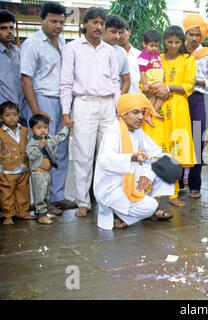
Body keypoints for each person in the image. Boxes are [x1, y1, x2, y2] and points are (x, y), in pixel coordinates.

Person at [60, 7, 120, 217]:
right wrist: (66, 113)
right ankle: (83, 202)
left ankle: (106, 199)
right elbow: (66, 83)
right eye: (94, 22)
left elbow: (115, 81)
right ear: (85, 24)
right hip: (83, 104)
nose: (98, 27)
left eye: (102, 23)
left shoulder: (109, 51)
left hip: (106, 105)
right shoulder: (73, 48)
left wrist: (117, 108)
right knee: (83, 154)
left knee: (107, 154)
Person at [20, 2, 74, 213]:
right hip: (41, 100)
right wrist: (36, 111)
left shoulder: (62, 40)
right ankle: (43, 201)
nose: (58, 25)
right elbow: (26, 79)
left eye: (61, 21)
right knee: (43, 151)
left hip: (62, 99)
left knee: (61, 147)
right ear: (42, 20)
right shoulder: (32, 44)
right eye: (53, 21)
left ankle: (58, 196)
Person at [94, 93, 174, 230]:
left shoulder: (136, 131)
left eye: (143, 112)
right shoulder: (113, 132)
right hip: (111, 189)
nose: (141, 117)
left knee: (166, 159)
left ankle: (129, 211)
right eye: (136, 112)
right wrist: (132, 157)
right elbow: (105, 160)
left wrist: (146, 174)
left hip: (131, 182)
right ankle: (119, 214)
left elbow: (155, 152)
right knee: (151, 206)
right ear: (124, 114)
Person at [141, 25, 197, 208]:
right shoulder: (157, 57)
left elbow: (189, 85)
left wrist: (169, 87)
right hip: (156, 107)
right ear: (163, 41)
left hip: (178, 109)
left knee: (176, 151)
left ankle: (173, 194)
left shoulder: (187, 59)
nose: (173, 45)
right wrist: (156, 89)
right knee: (155, 149)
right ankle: (152, 194)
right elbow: (145, 81)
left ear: (182, 42)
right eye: (169, 41)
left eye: (177, 42)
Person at [183, 14, 208, 199]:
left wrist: (194, 81)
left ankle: (195, 185)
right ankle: (177, 182)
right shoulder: (178, 51)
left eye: (198, 34)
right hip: (178, 99)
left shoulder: (207, 55)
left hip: (197, 99)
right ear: (186, 34)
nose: (194, 38)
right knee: (178, 138)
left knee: (196, 139)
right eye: (191, 34)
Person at [26, 114, 69, 225]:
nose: (43, 130)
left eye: (45, 127)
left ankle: (45, 211)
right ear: (32, 130)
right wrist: (40, 146)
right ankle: (40, 214)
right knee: (39, 194)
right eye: (39, 128)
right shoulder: (32, 142)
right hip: (38, 173)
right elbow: (31, 155)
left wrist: (66, 128)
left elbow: (59, 138)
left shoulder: (49, 139)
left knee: (45, 194)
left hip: (47, 173)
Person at [0, 101, 35, 225]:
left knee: (23, 191)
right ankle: (8, 215)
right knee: (7, 193)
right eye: (7, 115)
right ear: (1, 117)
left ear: (18, 115)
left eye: (14, 114)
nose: (11, 118)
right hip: (7, 169)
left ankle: (23, 212)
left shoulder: (24, 130)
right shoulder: (1, 133)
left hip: (24, 167)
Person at [0, 10, 26, 127]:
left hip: (20, 111)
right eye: (4, 28)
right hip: (3, 114)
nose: (9, 31)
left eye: (11, 28)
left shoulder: (18, 52)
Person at [138, 29, 165, 120]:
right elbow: (142, 70)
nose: (154, 48)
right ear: (144, 44)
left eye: (157, 46)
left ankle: (148, 114)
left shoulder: (156, 53)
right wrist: (145, 83)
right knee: (164, 94)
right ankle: (154, 111)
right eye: (151, 45)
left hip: (157, 80)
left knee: (154, 98)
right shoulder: (144, 55)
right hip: (152, 81)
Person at [103, 14, 130, 95]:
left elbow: (126, 81)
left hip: (111, 102)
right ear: (103, 29)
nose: (117, 36)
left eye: (119, 32)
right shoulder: (90, 49)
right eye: (113, 32)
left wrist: (117, 100)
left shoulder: (121, 53)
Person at [118, 20, 142, 94]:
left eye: (121, 32)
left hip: (137, 100)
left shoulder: (140, 56)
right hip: (117, 101)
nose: (119, 36)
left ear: (129, 32)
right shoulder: (111, 55)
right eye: (116, 33)